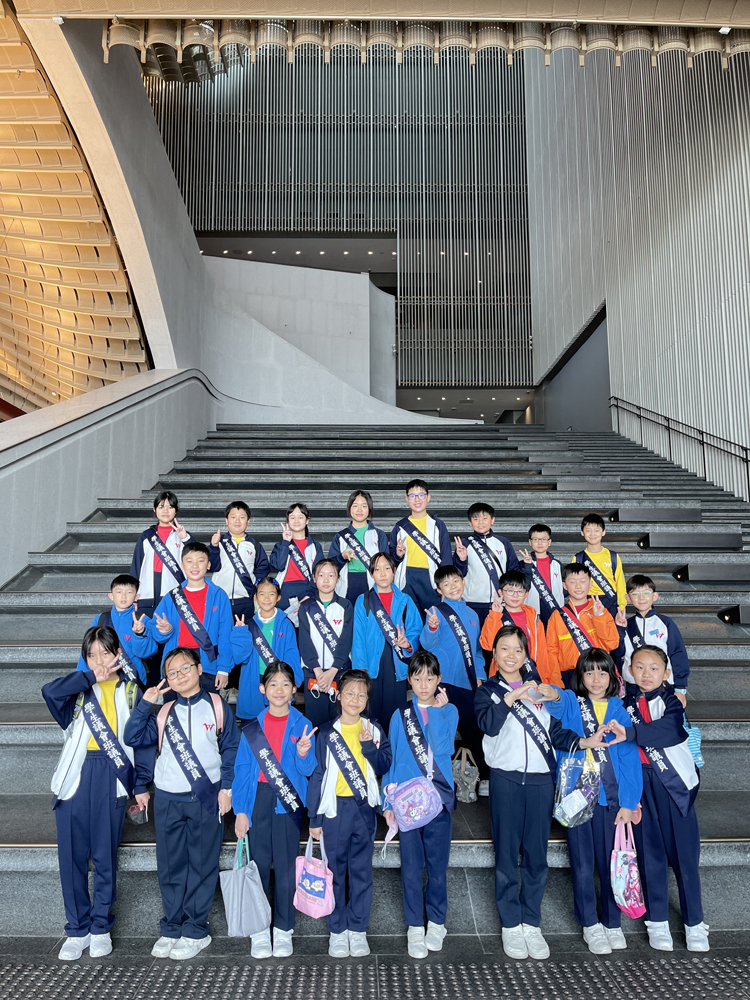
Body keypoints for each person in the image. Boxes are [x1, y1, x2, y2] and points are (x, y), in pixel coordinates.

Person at [475, 626, 606, 961]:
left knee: (536, 856)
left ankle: (531, 922)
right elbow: (488, 725)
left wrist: (584, 741)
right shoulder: (487, 691)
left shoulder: (540, 691)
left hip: (540, 784)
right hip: (505, 782)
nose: (511, 655)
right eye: (504, 649)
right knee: (506, 856)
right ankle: (510, 924)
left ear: (526, 654)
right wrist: (511, 697)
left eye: (518, 650)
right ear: (495, 653)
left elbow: (556, 732)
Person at [42, 625, 151, 961]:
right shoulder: (78, 692)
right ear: (85, 659)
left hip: (112, 775)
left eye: (106, 652)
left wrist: (141, 785)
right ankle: (77, 928)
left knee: (105, 857)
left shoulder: (131, 691)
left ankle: (100, 926)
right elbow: (49, 692)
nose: (100, 660)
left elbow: (142, 742)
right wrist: (89, 677)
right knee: (71, 858)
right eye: (92, 655)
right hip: (75, 778)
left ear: (117, 653)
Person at [123, 647, 239, 960]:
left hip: (206, 798)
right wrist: (145, 705)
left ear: (199, 669)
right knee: (170, 865)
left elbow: (231, 748)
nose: (180, 675)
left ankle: (196, 930)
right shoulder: (163, 712)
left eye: (185, 668)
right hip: (168, 798)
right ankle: (172, 926)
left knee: (202, 864)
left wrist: (227, 789)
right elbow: (133, 737)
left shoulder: (217, 705)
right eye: (172, 672)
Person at [605, 645, 707, 952]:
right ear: (629, 670)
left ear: (666, 673)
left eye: (653, 668)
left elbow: (671, 730)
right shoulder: (623, 704)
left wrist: (631, 733)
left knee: (685, 857)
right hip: (640, 783)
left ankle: (695, 923)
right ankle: (657, 921)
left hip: (672, 784)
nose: (646, 674)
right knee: (650, 853)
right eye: (639, 667)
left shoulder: (672, 702)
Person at [543, 648, 643, 955]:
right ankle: (590, 924)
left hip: (609, 801)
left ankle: (612, 923)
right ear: (580, 677)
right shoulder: (573, 703)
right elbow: (557, 702)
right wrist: (551, 693)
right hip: (577, 797)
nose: (596, 679)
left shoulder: (619, 711)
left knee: (611, 863)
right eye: (589, 672)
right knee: (582, 863)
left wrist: (629, 802)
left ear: (612, 677)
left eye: (602, 672)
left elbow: (629, 760)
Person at [233, 661, 317, 959]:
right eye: (273, 684)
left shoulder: (302, 724)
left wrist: (304, 753)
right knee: (258, 866)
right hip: (258, 799)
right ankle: (259, 931)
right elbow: (242, 770)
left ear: (294, 689)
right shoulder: (252, 727)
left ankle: (283, 929)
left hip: (288, 802)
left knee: (285, 869)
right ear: (262, 689)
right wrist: (241, 810)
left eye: (285, 684)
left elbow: (308, 769)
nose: (279, 690)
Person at [307, 670, 392, 959]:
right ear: (339, 696)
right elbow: (318, 776)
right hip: (334, 810)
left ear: (368, 700)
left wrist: (369, 745)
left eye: (361, 695)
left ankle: (357, 929)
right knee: (334, 872)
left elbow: (383, 765)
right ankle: (337, 930)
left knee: (361, 871)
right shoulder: (326, 733)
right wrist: (314, 817)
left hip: (363, 809)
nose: (355, 699)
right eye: (350, 693)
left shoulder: (374, 729)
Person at [382, 650, 458, 959]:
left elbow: (442, 747)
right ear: (409, 680)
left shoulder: (449, 710)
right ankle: (415, 925)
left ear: (439, 679)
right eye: (417, 678)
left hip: (437, 800)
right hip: (407, 803)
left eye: (430, 678)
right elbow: (391, 758)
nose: (424, 684)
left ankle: (437, 923)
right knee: (411, 867)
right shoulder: (399, 715)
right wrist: (387, 803)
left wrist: (437, 713)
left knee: (437, 867)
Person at [133, 541, 233, 691]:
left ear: (208, 565)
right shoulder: (172, 597)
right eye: (189, 561)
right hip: (175, 662)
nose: (195, 566)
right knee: (174, 704)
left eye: (200, 561)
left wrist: (223, 669)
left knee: (207, 704)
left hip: (207, 662)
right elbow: (156, 632)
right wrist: (165, 630)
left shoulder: (219, 595)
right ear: (182, 565)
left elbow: (226, 634)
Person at [419, 564, 486, 787]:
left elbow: (477, 650)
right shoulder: (436, 612)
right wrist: (431, 627)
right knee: (439, 732)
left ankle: (481, 778)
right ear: (439, 590)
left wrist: (479, 675)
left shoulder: (472, 614)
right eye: (446, 584)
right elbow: (428, 645)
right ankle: (435, 779)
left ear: (463, 581)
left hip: (468, 683)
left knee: (473, 731)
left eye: (456, 581)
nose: (453, 586)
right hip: (443, 683)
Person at [351, 551, 422, 725]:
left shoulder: (405, 600)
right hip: (370, 663)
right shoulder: (364, 600)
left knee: (395, 713)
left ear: (394, 570)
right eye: (377, 569)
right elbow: (358, 637)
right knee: (370, 711)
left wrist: (407, 643)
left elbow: (416, 629)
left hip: (396, 661)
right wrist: (360, 669)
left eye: (387, 568)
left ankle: (393, 741)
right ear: (371, 573)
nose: (382, 573)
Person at [230, 576, 301, 720]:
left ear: (278, 597)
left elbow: (291, 654)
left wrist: (292, 683)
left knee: (278, 721)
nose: (267, 598)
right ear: (255, 597)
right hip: (254, 679)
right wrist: (240, 633)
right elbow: (239, 658)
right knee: (254, 724)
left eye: (272, 594)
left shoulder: (285, 624)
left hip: (278, 680)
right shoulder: (248, 626)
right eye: (262, 594)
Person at [479, 570, 561, 688]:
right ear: (500, 592)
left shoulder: (533, 617)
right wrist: (495, 616)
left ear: (526, 594)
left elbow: (542, 651)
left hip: (532, 675)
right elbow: (488, 645)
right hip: (503, 677)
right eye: (510, 591)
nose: (515, 595)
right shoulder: (495, 616)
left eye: (520, 591)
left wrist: (546, 679)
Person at [298, 558, 354, 729]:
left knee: (339, 721)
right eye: (321, 575)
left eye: (331, 575)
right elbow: (304, 640)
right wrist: (317, 671)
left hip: (338, 672)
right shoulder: (306, 607)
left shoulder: (345, 606)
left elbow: (346, 640)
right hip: (313, 673)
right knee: (316, 723)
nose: (326, 579)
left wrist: (333, 670)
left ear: (338, 579)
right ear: (314, 578)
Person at [546, 564, 620, 688]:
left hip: (597, 673)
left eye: (583, 581)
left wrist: (599, 617)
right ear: (565, 586)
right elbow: (551, 651)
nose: (578, 586)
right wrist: (555, 681)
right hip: (569, 675)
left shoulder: (601, 611)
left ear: (590, 584)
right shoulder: (557, 616)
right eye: (572, 582)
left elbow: (612, 644)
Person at [75, 574, 157, 685]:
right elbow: (88, 649)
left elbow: (146, 653)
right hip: (104, 676)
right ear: (111, 596)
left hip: (133, 677)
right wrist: (81, 678)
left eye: (129, 592)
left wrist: (139, 634)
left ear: (136, 597)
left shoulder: (142, 620)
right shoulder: (101, 619)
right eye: (119, 592)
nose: (123, 596)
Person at [622, 575, 690, 706]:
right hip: (634, 685)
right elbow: (618, 653)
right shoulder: (625, 624)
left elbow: (677, 653)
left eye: (646, 593)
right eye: (635, 594)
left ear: (655, 596)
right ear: (628, 598)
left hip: (662, 684)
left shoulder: (665, 623)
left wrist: (680, 688)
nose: (641, 598)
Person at [390, 480, 452, 621]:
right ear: (407, 499)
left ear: (428, 498)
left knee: (432, 620)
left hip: (431, 579)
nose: (417, 499)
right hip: (406, 579)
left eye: (421, 495)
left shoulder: (438, 525)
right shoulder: (400, 527)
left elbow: (446, 557)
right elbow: (391, 558)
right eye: (412, 496)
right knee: (408, 620)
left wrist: (445, 585)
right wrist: (398, 555)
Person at [453, 501, 519, 627]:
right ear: (470, 522)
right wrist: (462, 559)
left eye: (484, 518)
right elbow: (457, 574)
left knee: (496, 636)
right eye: (476, 519)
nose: (480, 522)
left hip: (498, 602)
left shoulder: (503, 542)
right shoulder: (464, 544)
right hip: (472, 601)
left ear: (492, 520)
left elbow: (513, 569)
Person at [129, 491, 190, 617]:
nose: (165, 511)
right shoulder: (146, 536)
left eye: (170, 507)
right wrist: (132, 596)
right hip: (147, 593)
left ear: (177, 510)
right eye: (161, 507)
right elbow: (136, 567)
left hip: (174, 591)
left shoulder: (182, 535)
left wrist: (185, 539)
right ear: (154, 510)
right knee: (146, 626)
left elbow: (196, 557)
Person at [208, 500, 269, 622]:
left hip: (245, 600)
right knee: (222, 631)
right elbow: (212, 566)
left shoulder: (254, 544)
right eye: (233, 517)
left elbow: (263, 567)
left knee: (245, 631)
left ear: (248, 521)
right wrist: (213, 547)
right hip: (220, 598)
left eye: (242, 517)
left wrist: (254, 584)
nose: (237, 521)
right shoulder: (219, 542)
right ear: (226, 520)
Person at [328, 490, 389, 606]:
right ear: (349, 508)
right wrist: (342, 557)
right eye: (355, 506)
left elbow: (387, 564)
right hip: (347, 584)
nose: (359, 510)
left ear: (369, 509)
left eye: (364, 506)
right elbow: (330, 566)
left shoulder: (378, 535)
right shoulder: (341, 536)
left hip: (372, 583)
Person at [573, 513, 628, 626]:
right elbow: (573, 585)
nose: (592, 534)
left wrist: (621, 607)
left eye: (597, 530)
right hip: (588, 601)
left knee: (610, 634)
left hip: (610, 601)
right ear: (582, 532)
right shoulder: (578, 558)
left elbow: (620, 583)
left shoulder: (613, 556)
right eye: (588, 530)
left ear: (603, 532)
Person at [518, 523, 564, 627]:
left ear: (549, 542)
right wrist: (527, 566)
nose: (540, 542)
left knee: (552, 633)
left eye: (543, 539)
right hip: (532, 604)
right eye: (535, 539)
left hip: (552, 603)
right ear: (530, 542)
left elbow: (564, 587)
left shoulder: (557, 564)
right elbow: (521, 585)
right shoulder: (523, 564)